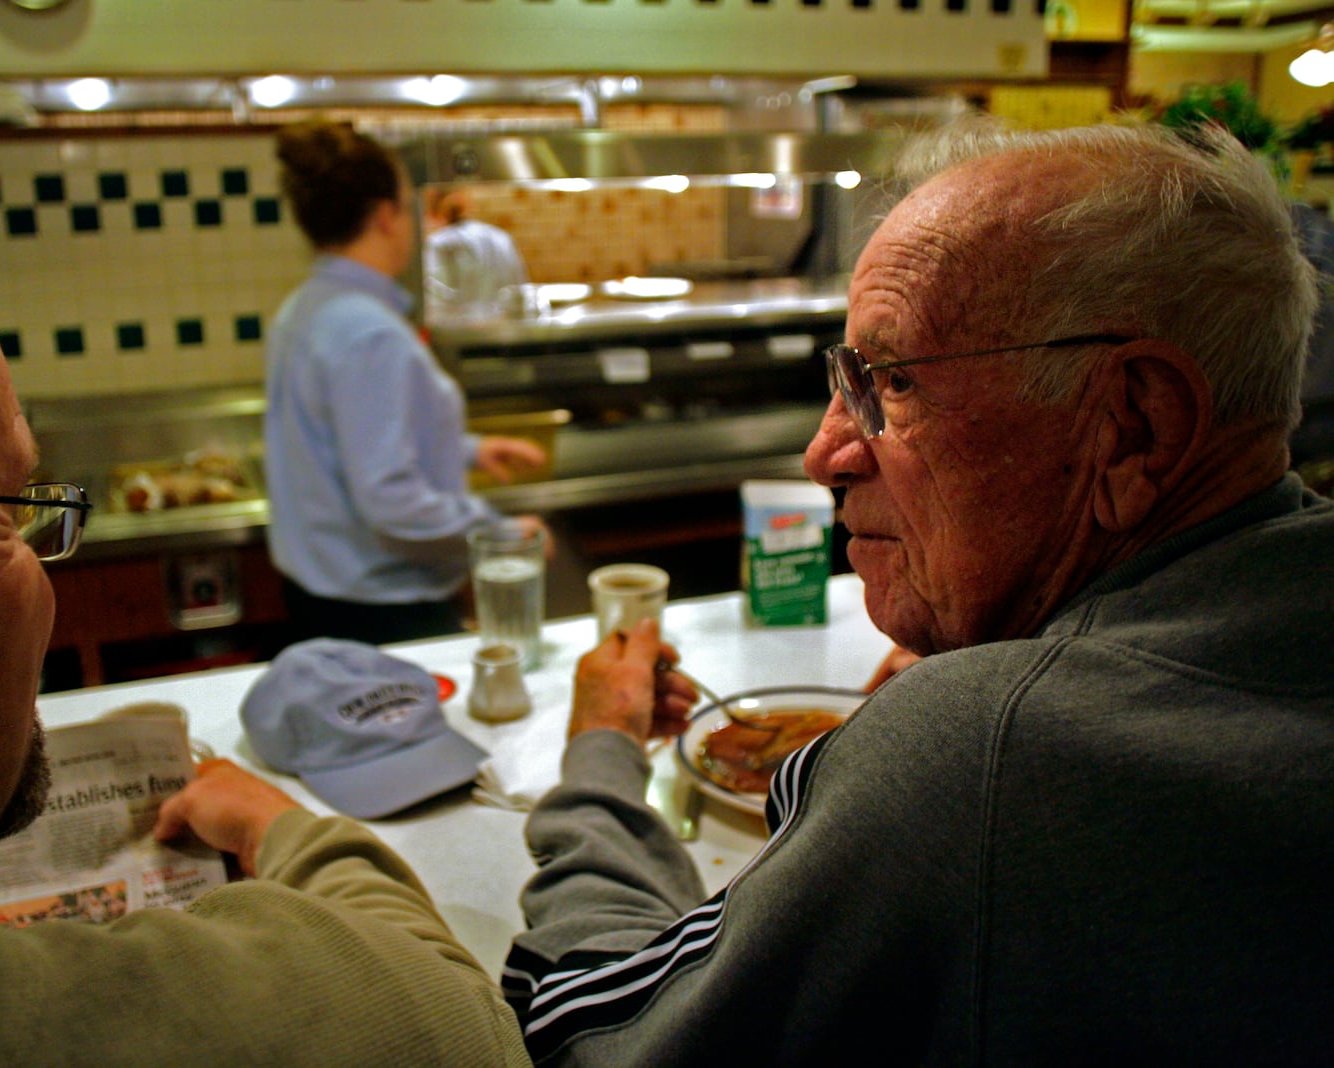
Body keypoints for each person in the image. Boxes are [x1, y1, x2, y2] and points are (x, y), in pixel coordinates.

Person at [502, 119, 1334, 1064]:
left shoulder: (980, 757)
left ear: (1138, 424)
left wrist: (602, 751)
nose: (824, 455)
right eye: (844, 379)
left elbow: (579, 1034)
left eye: (892, 383)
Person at [0, 171, 531, 1066]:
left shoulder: (310, 308)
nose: (45, 576)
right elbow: (461, 1027)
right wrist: (291, 831)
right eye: (7, 509)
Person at [267, 120, 548, 646]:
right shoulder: (369, 332)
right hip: (381, 614)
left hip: (323, 600)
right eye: (409, 204)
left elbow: (349, 440)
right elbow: (392, 503)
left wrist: (468, 449)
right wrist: (500, 532)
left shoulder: (306, 307)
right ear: (385, 217)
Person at [423, 186, 531, 319]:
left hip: (457, 336)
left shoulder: (437, 245)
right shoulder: (501, 238)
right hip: (503, 332)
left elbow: (434, 304)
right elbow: (521, 293)